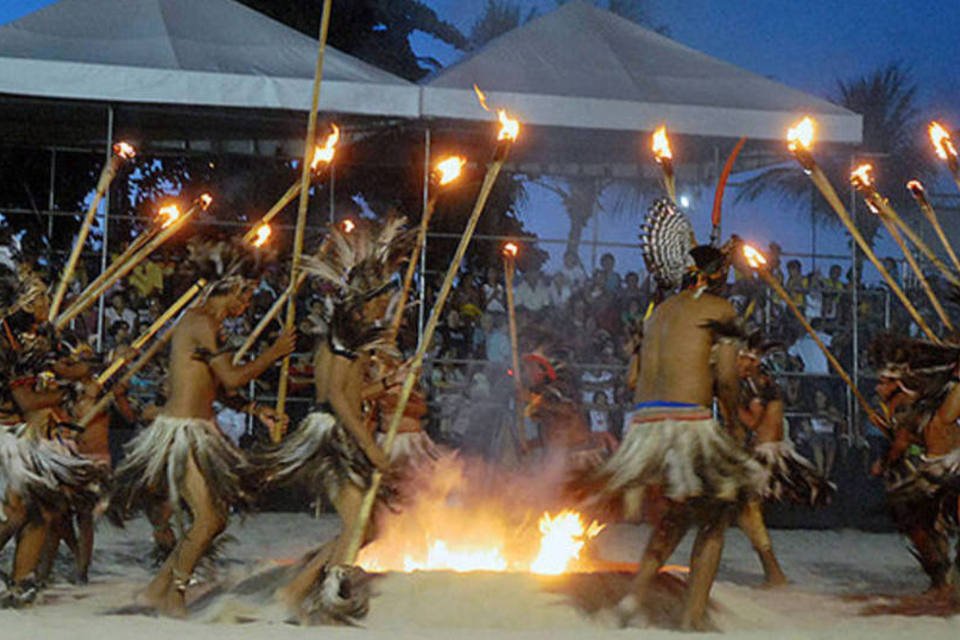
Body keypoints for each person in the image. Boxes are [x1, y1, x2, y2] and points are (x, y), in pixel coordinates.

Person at [582, 238, 762, 630]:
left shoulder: (656, 313)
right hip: (687, 422)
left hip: (645, 424)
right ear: (716, 275)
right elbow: (729, 379)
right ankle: (693, 616)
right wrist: (731, 420)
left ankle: (634, 597)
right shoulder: (720, 309)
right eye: (725, 274)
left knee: (678, 515)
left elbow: (635, 379)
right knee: (715, 517)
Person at [108, 274, 295, 617]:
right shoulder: (199, 321)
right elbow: (232, 377)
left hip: (198, 428)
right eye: (246, 299)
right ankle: (174, 594)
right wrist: (274, 353)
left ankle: (157, 589)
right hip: (183, 431)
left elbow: (218, 387)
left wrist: (256, 409)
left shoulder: (207, 325)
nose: (245, 308)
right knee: (208, 519)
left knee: (216, 518)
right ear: (233, 293)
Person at [261, 219, 411, 624]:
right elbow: (343, 402)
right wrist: (372, 449)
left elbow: (339, 393)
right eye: (384, 297)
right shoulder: (353, 334)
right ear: (369, 300)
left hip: (325, 426)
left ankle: (300, 587)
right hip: (334, 433)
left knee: (365, 526)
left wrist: (379, 389)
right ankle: (321, 595)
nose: (389, 304)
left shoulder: (340, 331)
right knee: (359, 524)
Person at [734, 334, 834, 587]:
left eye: (741, 360)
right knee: (747, 512)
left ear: (750, 360)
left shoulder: (757, 384)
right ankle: (772, 570)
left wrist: (731, 404)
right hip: (772, 449)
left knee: (749, 512)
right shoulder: (762, 380)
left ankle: (774, 572)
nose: (738, 365)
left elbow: (753, 422)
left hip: (766, 453)